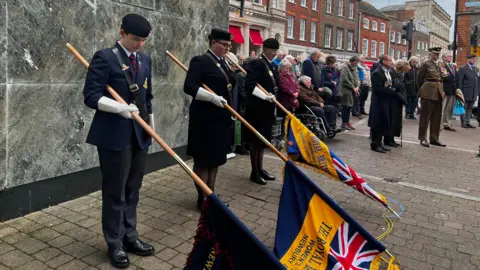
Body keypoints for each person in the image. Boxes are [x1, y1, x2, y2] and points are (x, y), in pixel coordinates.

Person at [83, 14, 155, 268]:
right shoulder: (105, 57)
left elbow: (147, 96)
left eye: (143, 40)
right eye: (135, 39)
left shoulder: (145, 58)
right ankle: (114, 243)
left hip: (139, 133)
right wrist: (119, 108)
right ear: (122, 32)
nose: (139, 45)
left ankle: (130, 237)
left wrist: (151, 123)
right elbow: (91, 96)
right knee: (115, 193)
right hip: (114, 135)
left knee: (133, 190)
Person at [183, 28, 236, 209]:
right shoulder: (200, 61)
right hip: (205, 119)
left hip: (221, 119)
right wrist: (211, 97)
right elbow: (189, 87)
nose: (227, 49)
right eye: (224, 45)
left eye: (229, 45)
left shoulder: (225, 62)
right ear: (213, 42)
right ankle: (202, 198)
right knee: (204, 160)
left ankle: (211, 194)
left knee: (215, 159)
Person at [244, 38, 280, 185]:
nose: (274, 53)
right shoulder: (257, 63)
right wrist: (265, 97)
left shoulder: (271, 65)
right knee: (256, 141)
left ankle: (260, 167)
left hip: (267, 109)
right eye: (272, 50)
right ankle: (255, 171)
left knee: (263, 141)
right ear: (264, 49)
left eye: (276, 51)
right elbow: (250, 85)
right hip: (257, 108)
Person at [417, 47, 446, 147]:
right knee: (425, 117)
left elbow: (443, 78)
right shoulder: (426, 64)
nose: (437, 56)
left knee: (436, 117)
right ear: (430, 54)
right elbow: (419, 79)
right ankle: (423, 138)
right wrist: (423, 90)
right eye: (435, 54)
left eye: (438, 54)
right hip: (428, 92)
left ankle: (434, 138)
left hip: (438, 93)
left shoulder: (441, 64)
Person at [368, 55, 396, 153]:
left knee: (383, 122)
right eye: (389, 60)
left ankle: (380, 143)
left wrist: (391, 89)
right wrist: (392, 91)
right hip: (379, 102)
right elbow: (378, 89)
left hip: (386, 100)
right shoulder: (377, 73)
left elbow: (389, 84)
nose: (391, 62)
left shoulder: (388, 72)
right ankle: (375, 144)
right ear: (384, 61)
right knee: (377, 123)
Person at [384, 60, 409, 146]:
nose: (403, 72)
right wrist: (402, 99)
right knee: (391, 120)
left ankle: (392, 138)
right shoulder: (391, 73)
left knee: (396, 121)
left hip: (398, 101)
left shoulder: (400, 75)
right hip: (392, 100)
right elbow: (393, 88)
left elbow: (402, 87)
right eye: (402, 70)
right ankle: (388, 139)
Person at [457, 54, 480, 128]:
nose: (474, 60)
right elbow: (459, 81)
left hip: (473, 92)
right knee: (464, 107)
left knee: (470, 107)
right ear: (468, 59)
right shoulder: (463, 68)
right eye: (472, 59)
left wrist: (477, 91)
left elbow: (478, 81)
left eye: (474, 59)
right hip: (465, 92)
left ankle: (468, 122)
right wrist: (459, 92)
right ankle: (463, 122)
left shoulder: (476, 69)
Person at [338, 56, 361, 130]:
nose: (356, 63)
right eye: (355, 62)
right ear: (352, 61)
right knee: (345, 106)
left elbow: (357, 78)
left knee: (349, 107)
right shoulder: (345, 67)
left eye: (357, 62)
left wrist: (357, 86)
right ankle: (344, 123)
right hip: (346, 90)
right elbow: (345, 79)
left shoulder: (355, 68)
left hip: (353, 90)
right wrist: (353, 87)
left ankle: (347, 122)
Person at [439, 52, 457, 131]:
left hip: (452, 90)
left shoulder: (453, 66)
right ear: (444, 57)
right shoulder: (442, 65)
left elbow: (455, 77)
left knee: (449, 109)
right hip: (444, 90)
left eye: (451, 56)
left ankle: (447, 123)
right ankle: (439, 124)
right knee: (441, 108)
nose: (451, 57)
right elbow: (444, 77)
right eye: (449, 56)